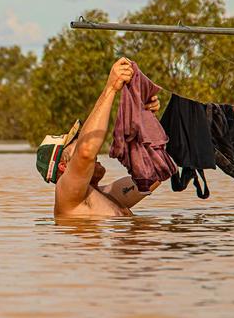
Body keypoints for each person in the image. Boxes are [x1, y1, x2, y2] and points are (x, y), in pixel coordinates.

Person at [42, 58, 162, 217]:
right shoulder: (66, 193)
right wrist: (111, 88)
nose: (83, 144)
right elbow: (85, 152)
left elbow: (154, 172)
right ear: (64, 166)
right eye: (74, 145)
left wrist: (146, 116)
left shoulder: (105, 194)